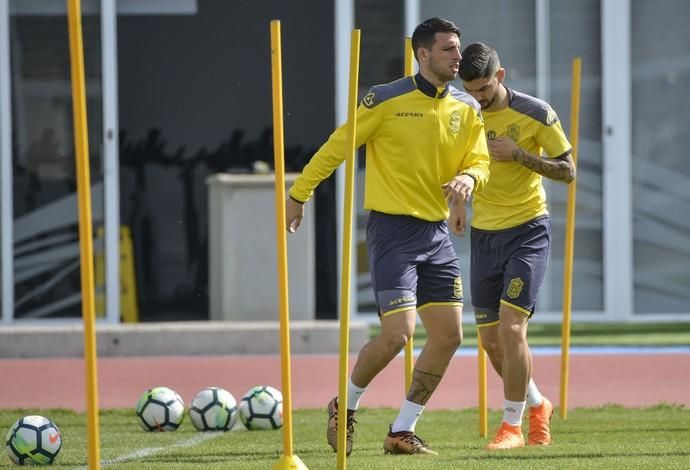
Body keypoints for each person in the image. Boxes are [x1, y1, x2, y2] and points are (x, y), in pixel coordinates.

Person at [286, 18, 490, 456]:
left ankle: (402, 430)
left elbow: (480, 161)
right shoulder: (385, 98)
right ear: (422, 54)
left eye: (458, 48)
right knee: (398, 335)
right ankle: (347, 405)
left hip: (436, 234)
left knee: (449, 336)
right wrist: (299, 193)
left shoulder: (467, 107)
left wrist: (468, 183)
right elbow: (337, 146)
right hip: (393, 231)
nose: (458, 56)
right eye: (448, 49)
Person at [458, 42, 576, 450]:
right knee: (492, 343)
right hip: (483, 234)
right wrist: (457, 204)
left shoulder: (536, 112)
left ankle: (511, 427)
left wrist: (521, 155)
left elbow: (568, 171)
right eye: (470, 90)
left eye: (484, 88)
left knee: (511, 329)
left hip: (528, 230)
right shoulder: (461, 113)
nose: (478, 97)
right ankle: (538, 405)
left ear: (501, 77)